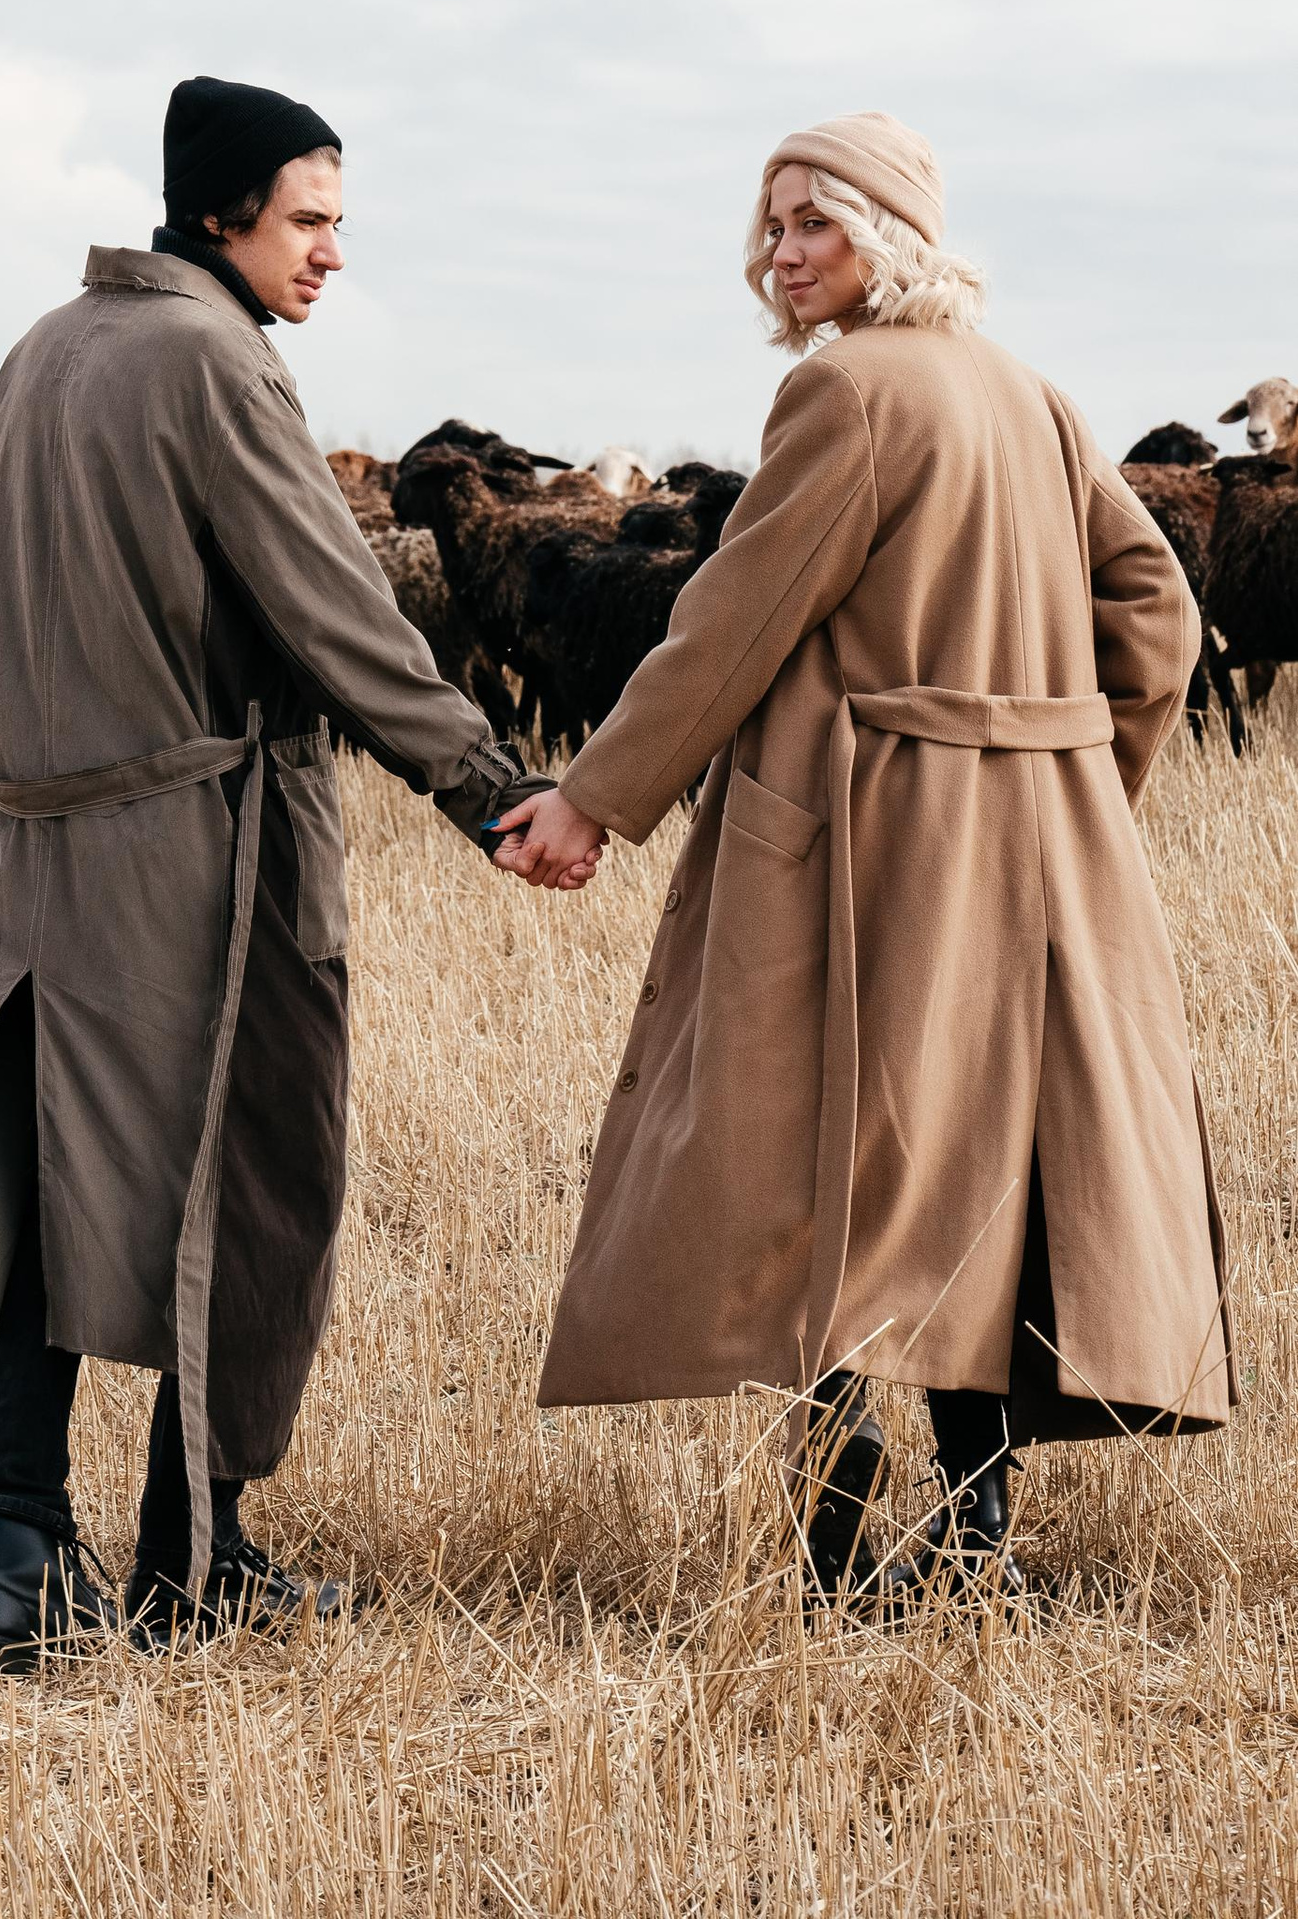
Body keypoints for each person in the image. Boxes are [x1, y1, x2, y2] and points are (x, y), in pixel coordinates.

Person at [0, 75, 551, 1667]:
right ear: (223, 211)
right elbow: (335, 608)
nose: (331, 254)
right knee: (234, 1188)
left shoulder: (46, 347)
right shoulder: (214, 361)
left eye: (337, 223)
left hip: (32, 846)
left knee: (46, 1187)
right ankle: (193, 1558)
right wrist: (489, 787)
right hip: (196, 848)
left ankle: (15, 1559)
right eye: (310, 218)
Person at [493, 113, 1233, 1608]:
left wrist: (593, 799)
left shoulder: (843, 396)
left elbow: (731, 623)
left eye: (814, 222)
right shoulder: (1030, 396)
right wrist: (1075, 785)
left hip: (868, 853)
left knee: (809, 1160)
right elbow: (1157, 611)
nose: (781, 253)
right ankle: (972, 1539)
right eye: (769, 226)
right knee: (981, 1177)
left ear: (892, 231)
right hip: (1034, 859)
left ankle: (831, 1544)